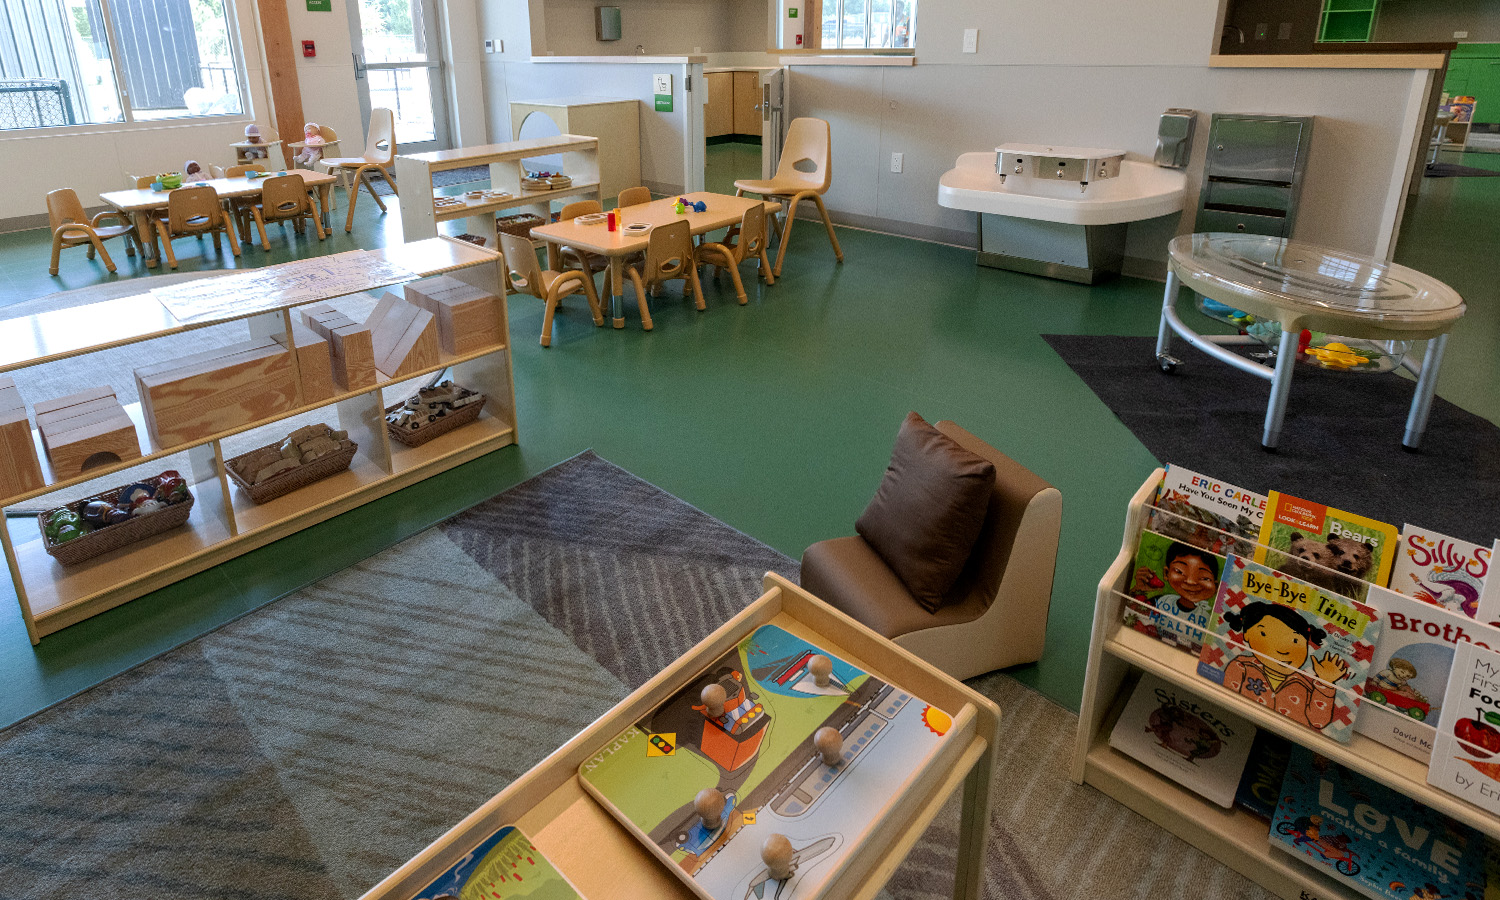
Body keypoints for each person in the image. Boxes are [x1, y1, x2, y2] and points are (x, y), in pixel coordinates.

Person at [1221, 601, 1350, 731]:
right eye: (1265, 634)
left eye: (1295, 640)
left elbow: (1318, 722)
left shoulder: (1304, 686)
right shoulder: (1241, 667)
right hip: (1242, 723)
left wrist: (1326, 682)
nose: (1283, 650)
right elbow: (1226, 697)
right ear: (1247, 635)